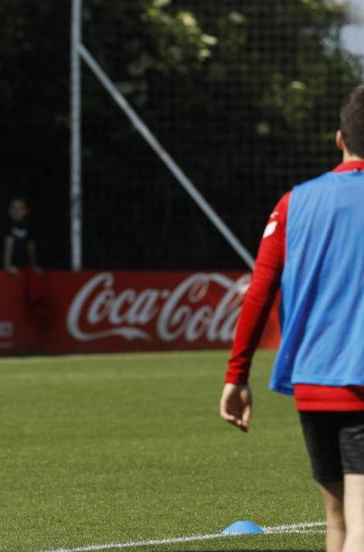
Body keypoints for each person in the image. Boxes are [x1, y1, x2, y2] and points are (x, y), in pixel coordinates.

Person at [221, 86, 364, 552]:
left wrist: (236, 376)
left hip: (311, 385)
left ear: (339, 138)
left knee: (338, 524)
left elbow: (258, 292)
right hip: (359, 384)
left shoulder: (293, 202)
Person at [2, 197, 39, 275]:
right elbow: (8, 245)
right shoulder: (5, 224)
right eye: (14, 207)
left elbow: (31, 247)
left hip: (24, 269)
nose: (16, 211)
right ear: (9, 210)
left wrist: (34, 266)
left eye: (19, 208)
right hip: (6, 271)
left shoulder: (30, 225)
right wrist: (7, 266)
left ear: (25, 211)